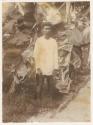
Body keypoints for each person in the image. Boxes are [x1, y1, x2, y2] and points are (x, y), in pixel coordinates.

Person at [33, 23, 59, 99]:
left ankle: (50, 100)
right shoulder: (39, 41)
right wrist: (38, 67)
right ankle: (38, 101)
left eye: (49, 29)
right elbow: (36, 55)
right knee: (39, 84)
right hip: (41, 65)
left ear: (51, 30)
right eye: (45, 29)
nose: (47, 30)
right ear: (42, 30)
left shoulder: (53, 41)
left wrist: (55, 67)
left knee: (50, 85)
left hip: (50, 65)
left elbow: (55, 54)